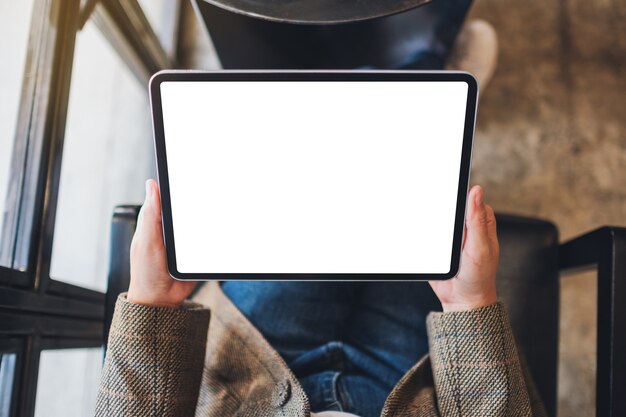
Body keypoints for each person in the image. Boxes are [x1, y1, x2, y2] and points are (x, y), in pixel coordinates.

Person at [95, 179, 546, 417]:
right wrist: (470, 304)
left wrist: (153, 303)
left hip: (250, 377)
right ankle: (416, 67)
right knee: (407, 185)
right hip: (410, 391)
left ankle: (405, 66)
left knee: (301, 180)